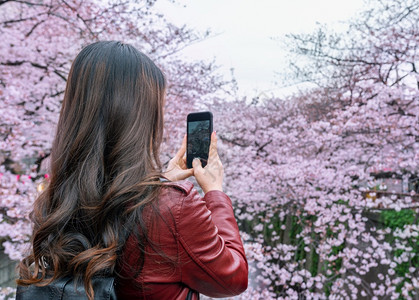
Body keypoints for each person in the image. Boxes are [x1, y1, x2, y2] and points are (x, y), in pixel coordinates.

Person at [17, 41, 248, 300]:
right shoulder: (172, 206)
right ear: (142, 117)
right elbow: (233, 279)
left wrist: (163, 183)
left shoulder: (57, 199)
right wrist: (214, 192)